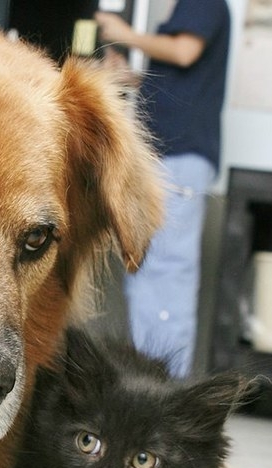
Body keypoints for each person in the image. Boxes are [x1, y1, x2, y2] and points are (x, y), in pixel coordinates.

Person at [95, 1, 231, 377]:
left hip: (180, 157)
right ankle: (154, 385)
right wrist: (129, 77)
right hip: (174, 158)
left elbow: (185, 52)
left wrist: (125, 35)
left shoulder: (202, 3)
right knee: (152, 274)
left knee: (165, 273)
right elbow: (179, 75)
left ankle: (164, 390)